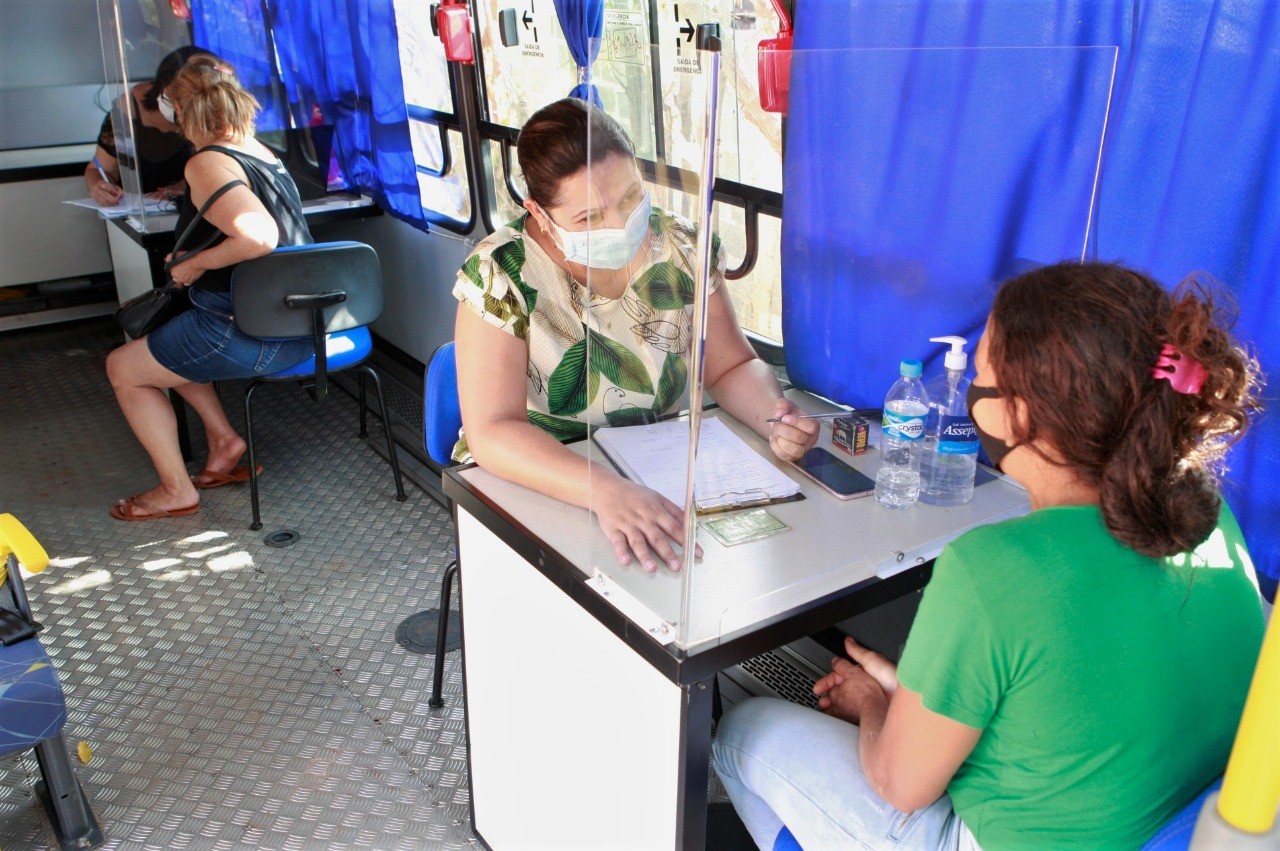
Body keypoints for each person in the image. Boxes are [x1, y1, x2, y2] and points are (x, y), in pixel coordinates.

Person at [712, 262, 1266, 849]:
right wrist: (916, 701)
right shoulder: (1208, 516)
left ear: (1020, 412)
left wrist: (874, 706)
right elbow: (1086, 690)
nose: (970, 391)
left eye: (980, 375)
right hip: (1167, 824)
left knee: (744, 732)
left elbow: (899, 785)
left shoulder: (992, 568)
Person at [453, 98, 819, 571]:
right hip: (542, 476)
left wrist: (774, 417)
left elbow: (731, 366)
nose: (620, 225)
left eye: (630, 199)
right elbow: (492, 431)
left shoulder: (683, 246)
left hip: (654, 468)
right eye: (589, 218)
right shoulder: (499, 274)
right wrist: (604, 491)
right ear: (538, 213)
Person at [106, 56, 313, 521]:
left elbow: (259, 237)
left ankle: (176, 490)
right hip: (299, 321)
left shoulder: (206, 162)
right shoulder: (259, 151)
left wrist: (195, 264)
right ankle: (223, 440)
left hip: (250, 332)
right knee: (165, 338)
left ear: (180, 112)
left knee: (123, 368)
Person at [84, 45, 211, 206]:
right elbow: (99, 170)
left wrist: (186, 186)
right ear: (163, 85)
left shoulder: (212, 113)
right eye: (174, 96)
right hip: (136, 210)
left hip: (196, 207)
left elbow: (220, 169)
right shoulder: (129, 108)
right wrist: (99, 188)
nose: (178, 106)